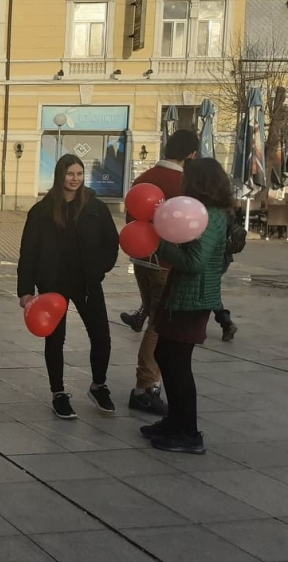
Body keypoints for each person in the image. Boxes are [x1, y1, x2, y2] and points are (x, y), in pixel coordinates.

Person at [17, 154, 120, 419]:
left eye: (79, 174)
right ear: (60, 175)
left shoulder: (95, 208)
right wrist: (25, 290)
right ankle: (58, 393)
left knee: (101, 336)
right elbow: (28, 251)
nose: (75, 179)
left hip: (87, 282)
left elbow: (111, 242)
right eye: (70, 174)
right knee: (55, 340)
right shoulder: (42, 211)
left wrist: (100, 268)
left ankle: (99, 385)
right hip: (53, 284)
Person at [141, 159, 233, 455]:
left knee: (177, 363)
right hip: (181, 295)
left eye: (187, 179)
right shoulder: (202, 212)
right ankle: (175, 422)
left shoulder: (212, 217)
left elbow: (195, 263)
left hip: (193, 299)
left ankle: (189, 433)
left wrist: (160, 243)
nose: (182, 183)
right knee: (164, 354)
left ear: (201, 183)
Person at [122, 130, 197, 416]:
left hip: (140, 258)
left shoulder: (143, 179)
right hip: (166, 263)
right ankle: (145, 386)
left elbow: (131, 217)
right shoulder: (183, 183)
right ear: (191, 154)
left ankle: (149, 382)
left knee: (156, 318)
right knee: (159, 323)